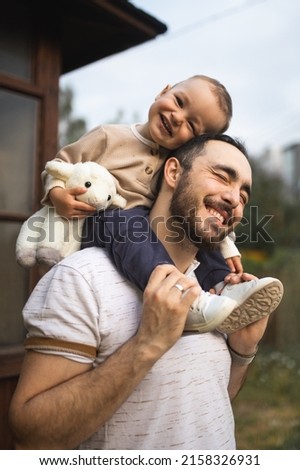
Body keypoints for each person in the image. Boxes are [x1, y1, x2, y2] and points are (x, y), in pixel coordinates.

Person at [9, 134, 284, 450]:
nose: (235, 199)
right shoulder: (81, 278)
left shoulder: (216, 291)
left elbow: (210, 401)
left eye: (244, 196)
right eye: (222, 177)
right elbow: (31, 438)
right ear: (172, 173)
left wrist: (242, 351)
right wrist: (147, 344)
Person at [41, 74, 247, 333]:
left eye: (192, 126)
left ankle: (224, 287)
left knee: (195, 231)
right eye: (179, 101)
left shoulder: (176, 161)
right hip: (102, 220)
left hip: (145, 227)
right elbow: (59, 166)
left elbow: (199, 205)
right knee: (128, 225)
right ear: (164, 91)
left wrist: (226, 246)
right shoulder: (109, 136)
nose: (177, 117)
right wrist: (58, 194)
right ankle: (178, 294)